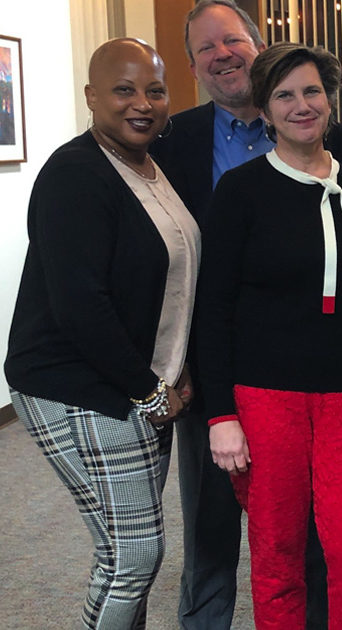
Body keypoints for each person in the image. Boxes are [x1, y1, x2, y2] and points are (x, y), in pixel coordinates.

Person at [148, 2, 342, 626]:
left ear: (332, 101)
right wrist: (223, 414)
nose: (301, 105)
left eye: (312, 91)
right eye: (284, 95)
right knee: (278, 554)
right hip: (266, 402)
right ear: (266, 107)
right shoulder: (241, 191)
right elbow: (216, 308)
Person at [5, 38, 198, 629]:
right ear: (91, 96)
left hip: (133, 382)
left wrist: (171, 367)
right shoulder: (76, 175)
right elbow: (80, 306)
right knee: (133, 557)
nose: (142, 103)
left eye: (155, 89)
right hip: (80, 388)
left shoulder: (147, 165)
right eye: (123, 89)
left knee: (125, 549)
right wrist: (147, 389)